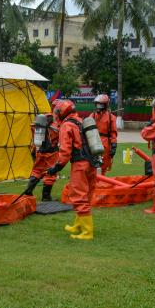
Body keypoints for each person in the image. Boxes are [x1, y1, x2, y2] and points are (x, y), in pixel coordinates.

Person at [47, 100, 97, 240]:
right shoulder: (81, 121)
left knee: (79, 195)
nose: (56, 114)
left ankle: (87, 232)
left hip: (80, 164)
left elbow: (65, 151)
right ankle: (79, 225)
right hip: (92, 163)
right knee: (86, 195)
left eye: (57, 112)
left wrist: (56, 167)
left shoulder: (67, 125)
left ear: (62, 112)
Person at [23, 98, 61, 201]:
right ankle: (46, 196)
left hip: (39, 151)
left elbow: (33, 129)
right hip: (51, 153)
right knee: (50, 173)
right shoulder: (56, 123)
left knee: (36, 171)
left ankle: (28, 192)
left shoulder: (42, 119)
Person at [89, 94, 118, 173]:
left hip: (105, 145)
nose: (98, 106)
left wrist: (114, 146)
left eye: (100, 104)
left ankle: (101, 184)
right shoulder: (92, 115)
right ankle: (93, 183)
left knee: (103, 167)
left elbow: (113, 133)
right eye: (97, 104)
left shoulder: (111, 117)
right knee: (91, 166)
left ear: (105, 105)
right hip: (93, 142)